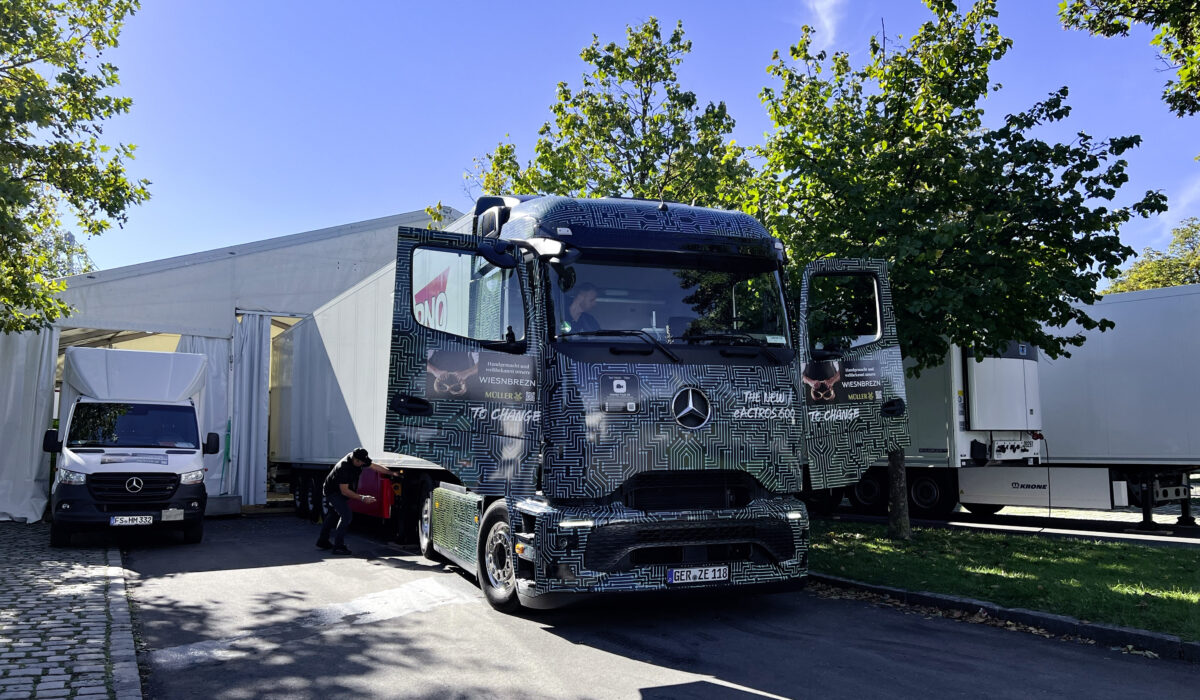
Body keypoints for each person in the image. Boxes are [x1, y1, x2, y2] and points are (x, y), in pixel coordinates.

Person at [315, 447, 393, 555]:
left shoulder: (361, 459)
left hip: (338, 490)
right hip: (332, 492)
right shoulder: (344, 467)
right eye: (360, 462)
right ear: (354, 459)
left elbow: (374, 466)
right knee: (346, 516)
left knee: (333, 514)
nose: (362, 464)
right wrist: (363, 498)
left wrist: (392, 473)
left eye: (363, 462)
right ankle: (338, 546)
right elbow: (345, 491)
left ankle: (322, 541)